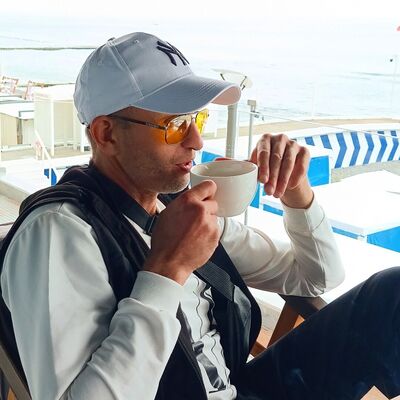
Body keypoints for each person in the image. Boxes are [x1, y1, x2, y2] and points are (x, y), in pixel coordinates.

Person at [0, 32, 399, 400]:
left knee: (391, 293)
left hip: (237, 387)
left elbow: (316, 275)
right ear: (107, 134)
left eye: (197, 118)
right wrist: (166, 270)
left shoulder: (178, 209)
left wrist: (297, 194)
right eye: (175, 125)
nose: (196, 140)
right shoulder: (57, 233)